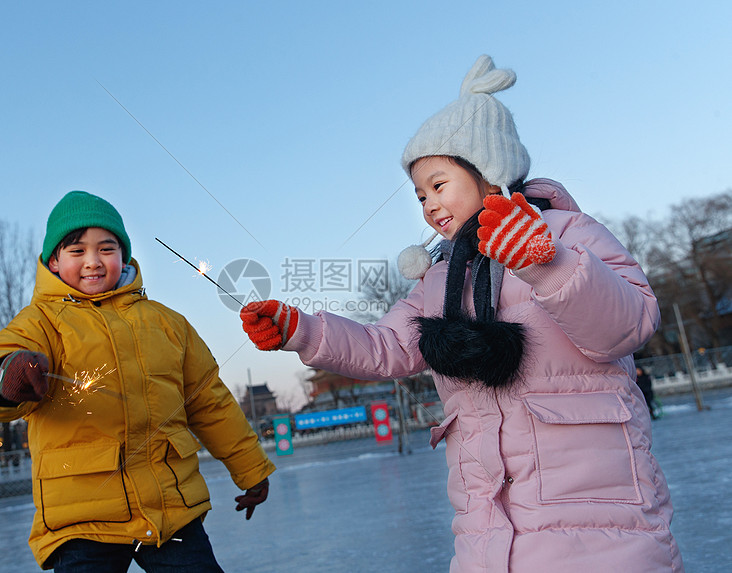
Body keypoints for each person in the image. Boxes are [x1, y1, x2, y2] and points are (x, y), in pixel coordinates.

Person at [240, 56, 682, 571]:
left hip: (599, 520)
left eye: (439, 183)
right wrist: (303, 329)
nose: (428, 203)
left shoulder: (567, 234)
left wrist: (548, 264)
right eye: (420, 194)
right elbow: (388, 347)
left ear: (487, 170)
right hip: (486, 533)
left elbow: (628, 325)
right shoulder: (439, 276)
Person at [0, 190, 275, 572]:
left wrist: (251, 469)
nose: (93, 262)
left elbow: (210, 402)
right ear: (54, 262)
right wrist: (5, 375)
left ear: (124, 256)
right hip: (81, 521)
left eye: (106, 249)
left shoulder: (167, 323)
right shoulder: (39, 322)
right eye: (77, 251)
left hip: (169, 509)